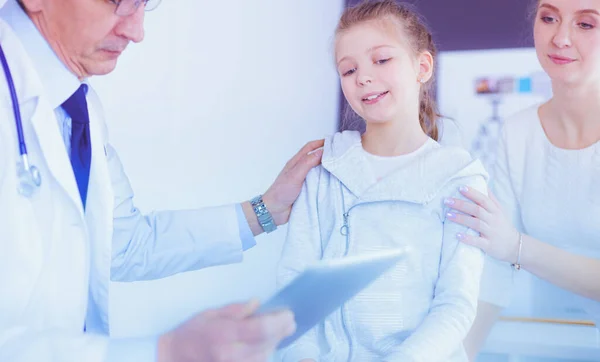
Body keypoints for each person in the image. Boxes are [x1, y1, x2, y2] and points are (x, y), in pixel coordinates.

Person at [0, 0, 325, 360]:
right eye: (117, 1)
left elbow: (125, 244)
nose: (136, 32)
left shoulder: (76, 104)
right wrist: (163, 351)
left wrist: (267, 211)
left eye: (143, 4)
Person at [274, 1, 489, 361]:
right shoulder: (326, 168)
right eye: (348, 69)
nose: (363, 77)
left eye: (382, 60)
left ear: (422, 67)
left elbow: (455, 306)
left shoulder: (458, 176)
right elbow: (296, 290)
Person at [444, 0, 600, 360]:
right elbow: (495, 272)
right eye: (549, 18)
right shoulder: (518, 132)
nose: (560, 38)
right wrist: (458, 355)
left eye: (586, 24)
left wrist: (516, 246)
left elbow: (507, 246)